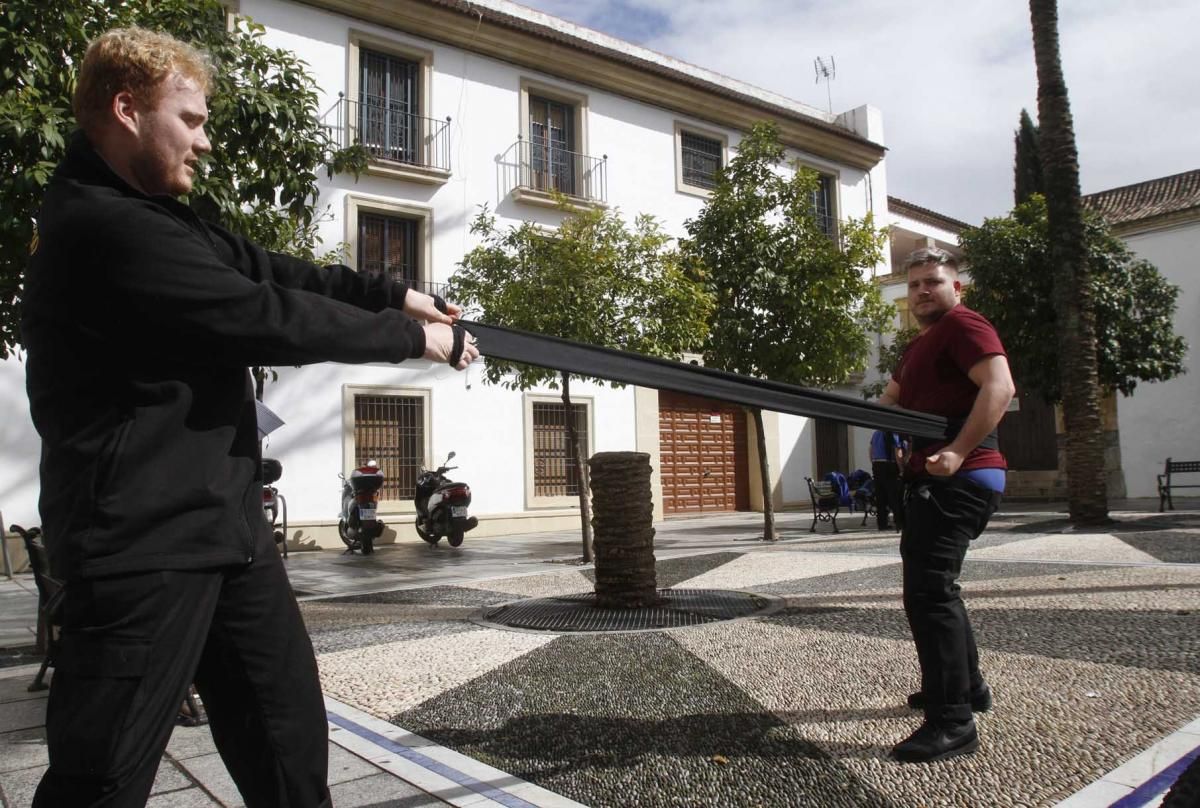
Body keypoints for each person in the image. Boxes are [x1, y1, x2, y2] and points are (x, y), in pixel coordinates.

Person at [21, 27, 479, 807]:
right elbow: (263, 315)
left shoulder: (162, 217)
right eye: (191, 120)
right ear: (127, 109)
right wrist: (417, 339)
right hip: (141, 548)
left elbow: (272, 270)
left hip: (226, 532)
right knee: (100, 781)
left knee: (287, 744)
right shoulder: (102, 227)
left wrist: (392, 292)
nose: (204, 141)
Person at [878, 247, 1014, 763]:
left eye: (932, 282)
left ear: (956, 287)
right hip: (931, 483)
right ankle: (969, 689)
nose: (921, 292)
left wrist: (956, 450)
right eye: (913, 285)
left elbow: (1000, 387)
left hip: (962, 478)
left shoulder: (964, 324)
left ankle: (952, 720)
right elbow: (890, 400)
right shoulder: (917, 348)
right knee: (940, 592)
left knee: (929, 595)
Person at [869, 430, 903, 531]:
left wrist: (874, 463)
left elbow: (871, 450)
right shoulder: (893, 432)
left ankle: (882, 524)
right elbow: (897, 451)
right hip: (889, 465)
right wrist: (901, 469)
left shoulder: (876, 433)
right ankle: (899, 522)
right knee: (893, 495)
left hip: (877, 464)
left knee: (880, 496)